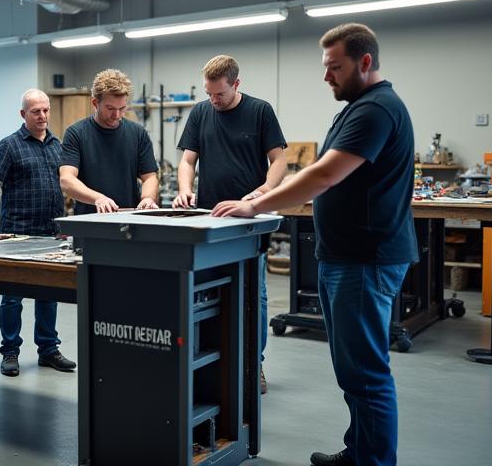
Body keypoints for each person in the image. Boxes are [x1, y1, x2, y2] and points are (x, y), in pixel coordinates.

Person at [213, 23, 416, 466]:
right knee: (353, 370)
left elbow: (323, 175)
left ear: (364, 63)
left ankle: (374, 462)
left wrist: (257, 205)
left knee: (366, 373)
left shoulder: (375, 109)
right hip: (347, 255)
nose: (327, 77)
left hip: (365, 259)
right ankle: (359, 451)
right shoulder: (359, 106)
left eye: (334, 68)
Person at [172, 55, 287, 394]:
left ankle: (255, 364)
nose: (214, 100)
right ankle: (213, 361)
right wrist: (184, 190)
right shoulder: (201, 112)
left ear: (236, 84)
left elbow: (279, 159)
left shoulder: (260, 111)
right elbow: (187, 159)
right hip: (210, 221)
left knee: (255, 294)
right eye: (209, 93)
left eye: (219, 94)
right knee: (207, 292)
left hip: (250, 221)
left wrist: (263, 192)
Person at [0, 89, 77, 377]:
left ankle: (48, 350)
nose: (42, 116)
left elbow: (71, 181)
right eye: (35, 111)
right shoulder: (9, 145)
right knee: (12, 297)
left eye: (45, 110)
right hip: (17, 234)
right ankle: (10, 352)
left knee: (48, 294)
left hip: (51, 233)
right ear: (23, 114)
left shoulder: (59, 145)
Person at [59, 68, 159, 214]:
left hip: (130, 220)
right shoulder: (76, 134)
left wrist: (148, 198)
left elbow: (150, 177)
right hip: (90, 223)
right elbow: (66, 180)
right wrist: (98, 199)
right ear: (95, 103)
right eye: (110, 108)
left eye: (122, 108)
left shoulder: (138, 133)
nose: (117, 115)